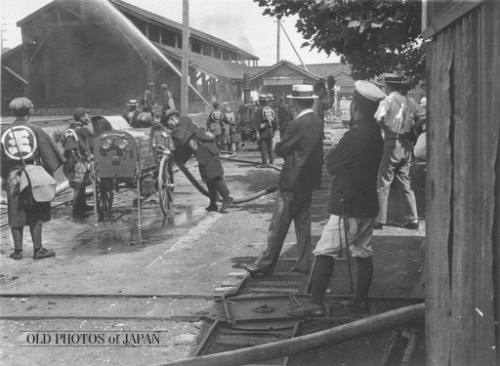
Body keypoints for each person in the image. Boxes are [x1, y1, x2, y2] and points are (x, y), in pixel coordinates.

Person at [288, 80, 386, 317]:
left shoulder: (355, 136)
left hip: (348, 205)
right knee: (362, 251)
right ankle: (360, 301)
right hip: (367, 203)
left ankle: (316, 303)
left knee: (324, 251)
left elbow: (331, 165)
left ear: (356, 107)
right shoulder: (375, 134)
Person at [242, 85, 323, 276]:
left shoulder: (297, 124)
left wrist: (282, 145)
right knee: (303, 223)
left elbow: (280, 149)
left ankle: (266, 265)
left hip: (292, 180)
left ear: (295, 102)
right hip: (309, 180)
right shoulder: (317, 122)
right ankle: (304, 262)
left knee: (279, 224)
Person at [1, 97, 65, 260]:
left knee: (15, 211)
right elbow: (51, 158)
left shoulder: (3, 132)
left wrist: (4, 177)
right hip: (33, 175)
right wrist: (46, 174)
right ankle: (38, 249)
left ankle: (17, 251)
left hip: (13, 176)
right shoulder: (36, 130)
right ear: (29, 111)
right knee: (37, 208)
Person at [163, 110, 233, 213]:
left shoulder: (184, 121)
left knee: (214, 176)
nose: (170, 127)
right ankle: (213, 203)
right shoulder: (183, 128)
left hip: (207, 151)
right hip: (202, 153)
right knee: (208, 178)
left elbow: (180, 138)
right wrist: (174, 155)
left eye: (170, 124)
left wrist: (169, 137)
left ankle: (227, 197)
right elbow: (185, 148)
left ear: (173, 119)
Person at [373, 73, 419, 230]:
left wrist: (386, 128)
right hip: (406, 144)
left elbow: (379, 118)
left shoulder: (388, 100)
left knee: (383, 182)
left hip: (392, 143)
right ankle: (413, 218)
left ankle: (380, 219)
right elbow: (420, 117)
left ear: (388, 86)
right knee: (405, 182)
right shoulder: (410, 101)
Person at [62, 107, 95, 219]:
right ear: (81, 118)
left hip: (68, 163)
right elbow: (93, 144)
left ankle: (83, 206)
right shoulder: (83, 130)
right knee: (79, 188)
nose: (88, 117)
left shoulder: (68, 130)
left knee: (80, 187)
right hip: (79, 163)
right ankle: (76, 212)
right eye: (86, 115)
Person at [252, 94, 277, 167]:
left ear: (260, 101)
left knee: (263, 147)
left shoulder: (259, 110)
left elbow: (256, 122)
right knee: (270, 147)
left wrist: (256, 131)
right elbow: (275, 122)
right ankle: (272, 162)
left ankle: (264, 163)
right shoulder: (271, 110)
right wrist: (273, 131)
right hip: (270, 131)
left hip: (263, 132)